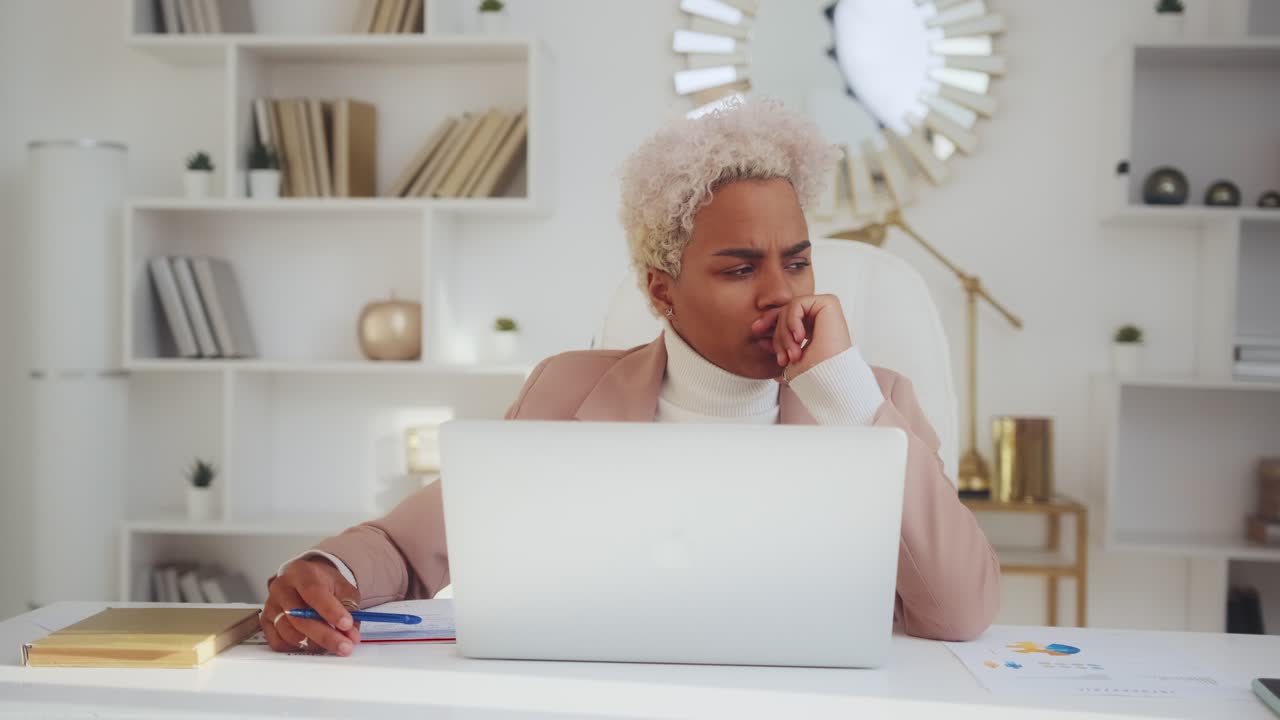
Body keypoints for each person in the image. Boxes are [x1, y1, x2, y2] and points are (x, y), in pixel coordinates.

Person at [261, 98, 1001, 657]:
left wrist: (843, 392)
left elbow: (959, 610)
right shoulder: (566, 392)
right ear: (661, 291)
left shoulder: (873, 401)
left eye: (798, 261)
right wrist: (327, 569)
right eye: (740, 269)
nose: (780, 293)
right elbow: (405, 547)